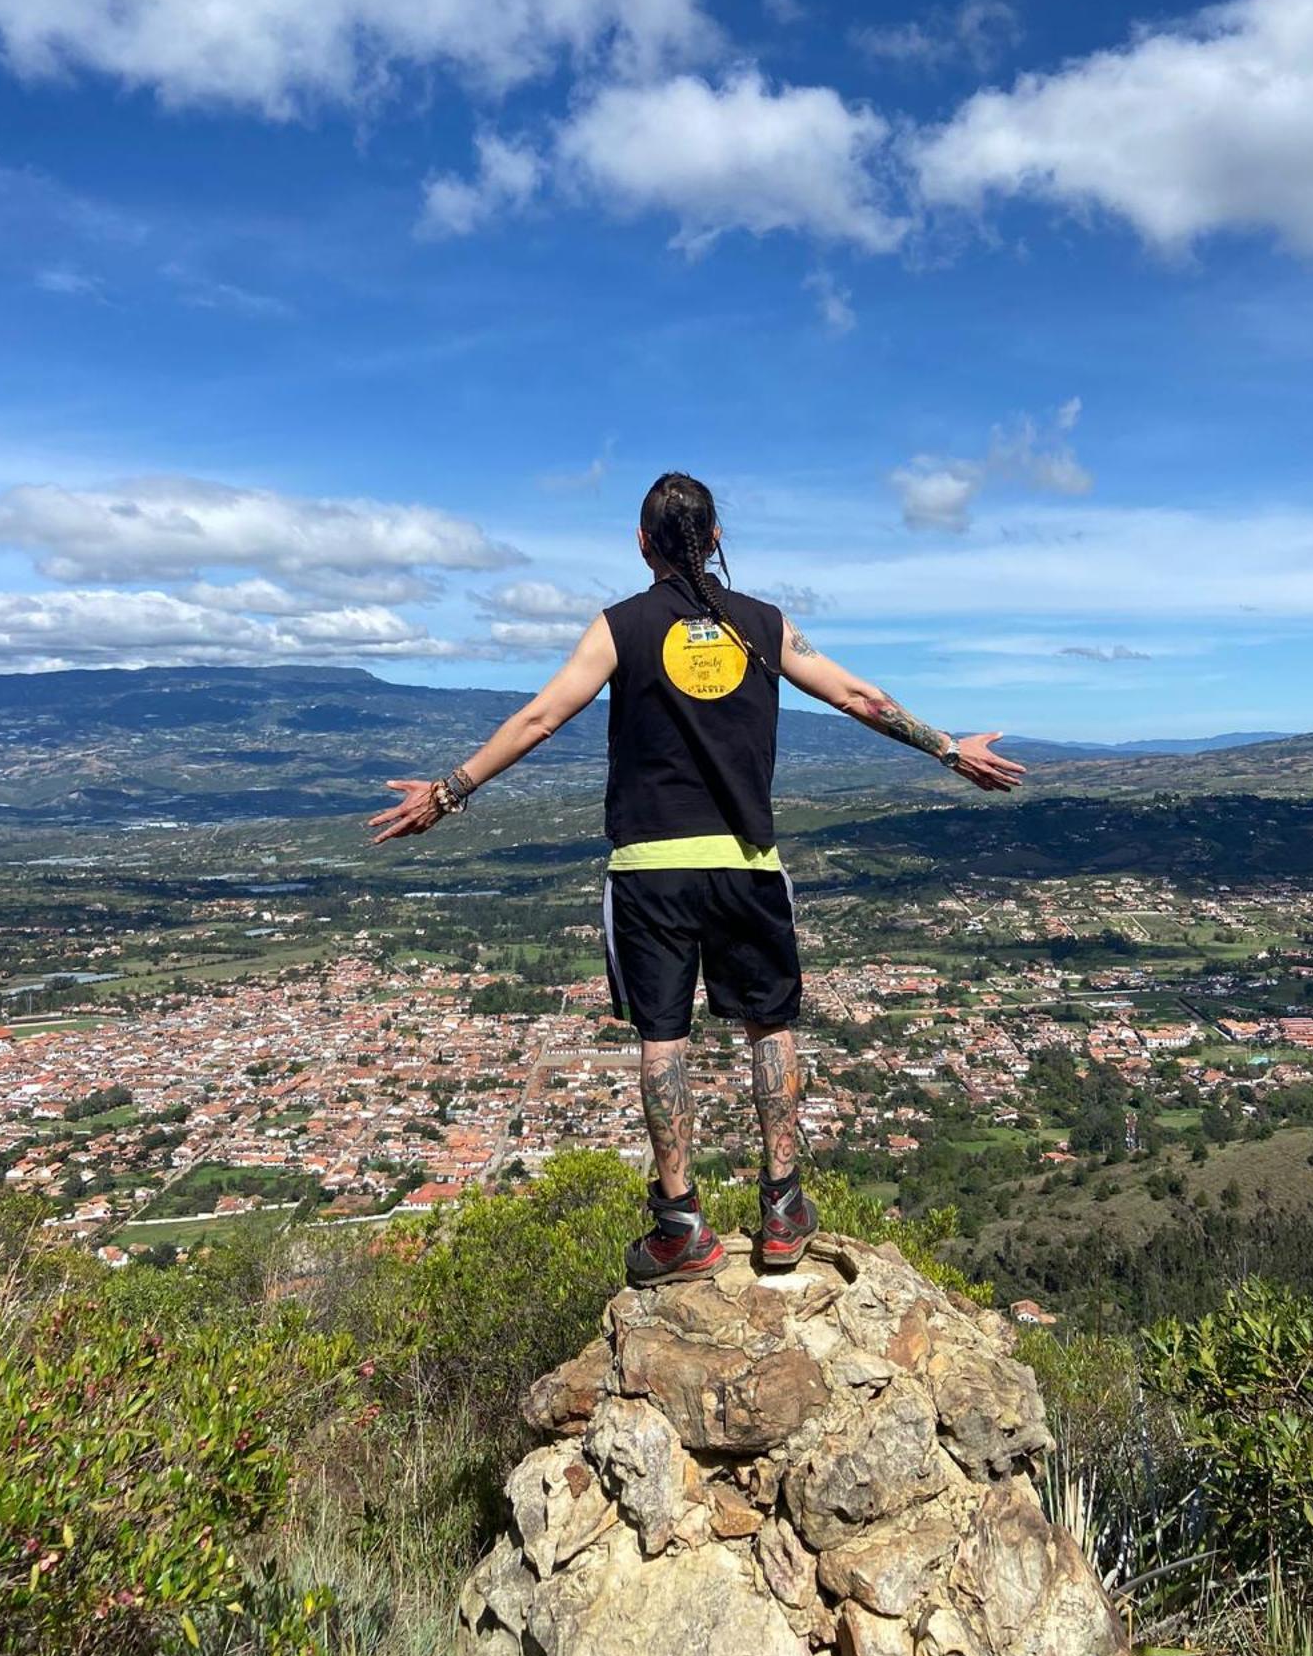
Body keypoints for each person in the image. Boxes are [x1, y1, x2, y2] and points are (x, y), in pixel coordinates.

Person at [369, 471, 1025, 1286]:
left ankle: (681, 1227)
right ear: (715, 539)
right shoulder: (765, 624)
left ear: (641, 545)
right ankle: (783, 1209)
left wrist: (448, 792)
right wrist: (948, 748)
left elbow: (540, 717)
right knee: (770, 1027)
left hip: (650, 869)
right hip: (747, 862)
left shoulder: (619, 628)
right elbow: (858, 696)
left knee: (662, 1040)